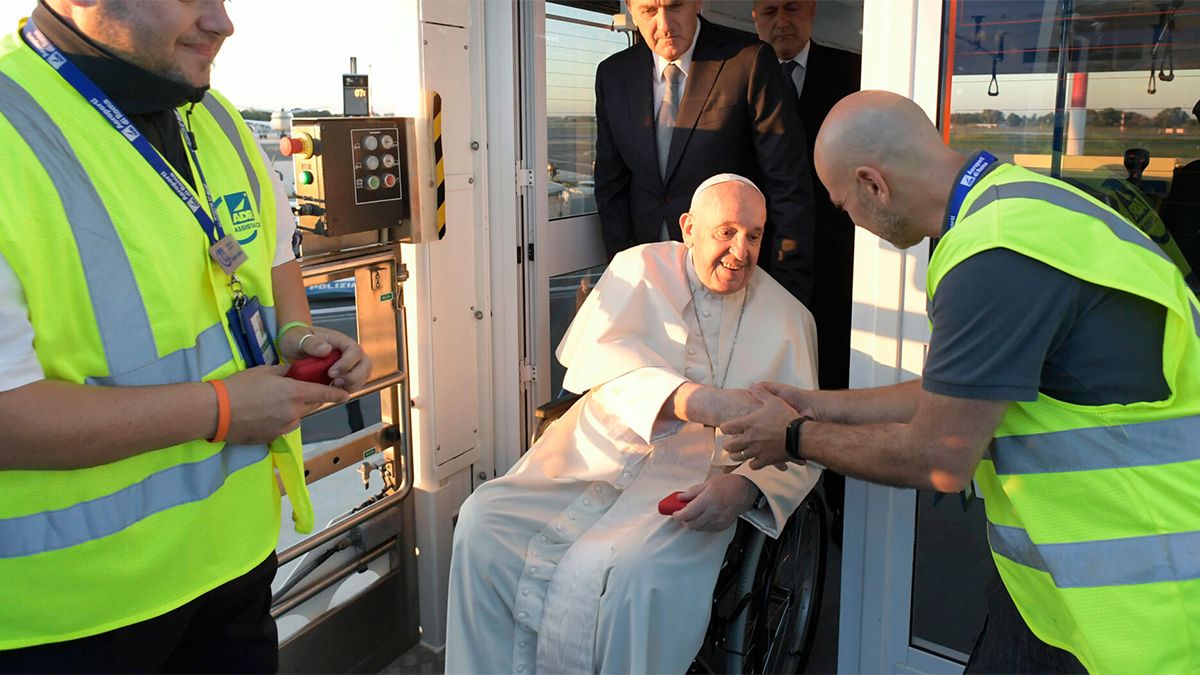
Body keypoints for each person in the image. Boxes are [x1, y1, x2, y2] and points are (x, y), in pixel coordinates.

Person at [722, 90, 1200, 673]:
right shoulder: (1019, 208)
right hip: (1061, 587)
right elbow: (956, 395)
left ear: (874, 184)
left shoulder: (993, 254)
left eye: (845, 204)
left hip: (1136, 598)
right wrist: (813, 404)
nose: (852, 221)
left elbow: (939, 456)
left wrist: (793, 437)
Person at [0, 1, 371, 671]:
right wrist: (222, 408)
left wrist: (298, 337)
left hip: (236, 561)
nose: (222, 22)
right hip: (71, 618)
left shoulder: (218, 117)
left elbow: (275, 265)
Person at [445, 175, 819, 674]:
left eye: (753, 235)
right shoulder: (638, 269)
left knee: (632, 578)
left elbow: (799, 442)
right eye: (725, 232)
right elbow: (598, 369)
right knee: (482, 521)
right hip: (599, 456)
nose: (740, 251)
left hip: (698, 484)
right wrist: (701, 402)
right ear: (688, 228)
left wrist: (744, 489)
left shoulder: (789, 318)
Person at [595, 0, 817, 304]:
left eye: (674, 6)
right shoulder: (612, 74)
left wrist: (786, 294)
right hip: (647, 283)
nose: (665, 26)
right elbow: (611, 183)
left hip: (735, 278)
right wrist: (623, 273)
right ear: (631, 10)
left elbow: (788, 184)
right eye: (649, 11)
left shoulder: (749, 60)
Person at [752, 0, 859, 391]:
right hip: (762, 251)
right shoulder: (736, 74)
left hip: (836, 247)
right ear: (755, 18)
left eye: (792, 9)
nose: (781, 22)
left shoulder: (854, 70)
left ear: (811, 12)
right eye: (770, 12)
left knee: (833, 358)